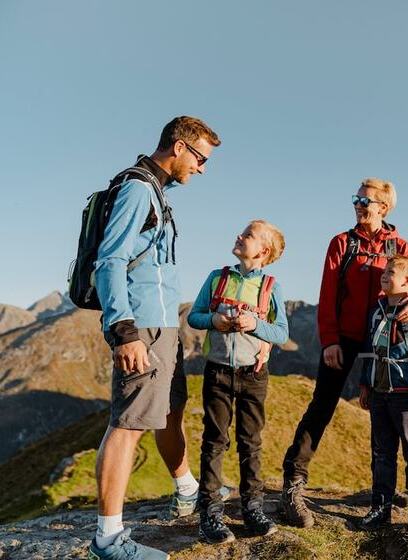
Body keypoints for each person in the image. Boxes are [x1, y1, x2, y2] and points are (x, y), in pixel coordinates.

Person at [89, 116, 220, 560]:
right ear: (179, 147)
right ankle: (108, 540)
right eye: (201, 158)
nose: (202, 168)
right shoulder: (139, 190)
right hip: (140, 326)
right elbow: (109, 261)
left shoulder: (158, 192)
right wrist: (124, 333)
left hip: (163, 326)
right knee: (127, 426)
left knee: (169, 409)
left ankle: (185, 488)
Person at [280, 178, 408, 528]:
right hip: (344, 339)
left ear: (384, 207)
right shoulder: (342, 243)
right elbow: (328, 293)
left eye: (366, 201)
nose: (359, 205)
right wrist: (330, 340)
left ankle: (387, 493)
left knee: (391, 414)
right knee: (322, 405)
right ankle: (293, 483)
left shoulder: (401, 245)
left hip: (385, 341)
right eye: (356, 200)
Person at [187, 220, 288, 544]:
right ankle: (211, 513)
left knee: (250, 441)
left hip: (253, 375)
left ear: (263, 250)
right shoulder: (217, 278)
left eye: (248, 235)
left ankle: (253, 509)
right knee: (214, 440)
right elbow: (194, 316)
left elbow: (281, 333)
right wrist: (214, 320)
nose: (239, 236)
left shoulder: (271, 286)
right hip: (217, 370)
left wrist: (255, 324)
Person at [357, 256, 408, 529]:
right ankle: (380, 508)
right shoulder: (376, 311)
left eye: (391, 272)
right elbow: (368, 350)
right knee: (381, 452)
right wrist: (365, 385)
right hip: (378, 392)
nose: (384, 275)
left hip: (406, 394)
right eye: (385, 272)